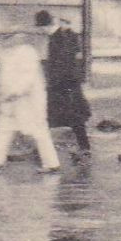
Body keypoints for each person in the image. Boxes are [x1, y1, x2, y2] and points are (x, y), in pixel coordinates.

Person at [0, 29, 61, 173]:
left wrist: (13, 93)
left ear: (17, 38)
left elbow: (28, 78)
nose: (6, 41)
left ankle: (51, 163)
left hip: (29, 100)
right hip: (11, 100)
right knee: (4, 128)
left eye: (9, 37)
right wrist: (3, 95)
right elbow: (4, 77)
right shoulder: (5, 54)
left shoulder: (27, 53)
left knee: (39, 130)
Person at [39, 10, 92, 157]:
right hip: (66, 84)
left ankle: (45, 150)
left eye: (42, 27)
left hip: (64, 85)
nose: (42, 31)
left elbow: (63, 63)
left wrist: (52, 84)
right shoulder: (60, 36)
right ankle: (83, 146)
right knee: (70, 117)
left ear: (46, 25)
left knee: (67, 117)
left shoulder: (58, 37)